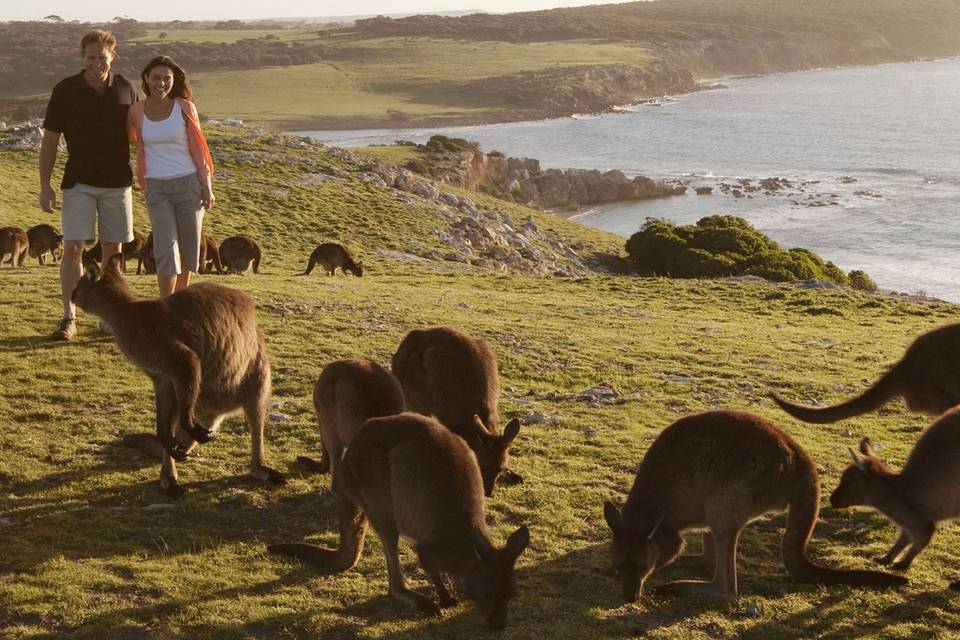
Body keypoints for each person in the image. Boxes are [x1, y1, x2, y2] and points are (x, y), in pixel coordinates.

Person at [39, 29, 138, 340]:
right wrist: (45, 185)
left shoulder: (125, 88)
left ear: (113, 56)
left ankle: (109, 317)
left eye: (102, 57)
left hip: (117, 183)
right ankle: (69, 317)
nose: (97, 63)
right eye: (91, 57)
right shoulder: (65, 90)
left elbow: (141, 135)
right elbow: (50, 143)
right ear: (82, 58)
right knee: (72, 249)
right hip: (77, 182)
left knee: (113, 251)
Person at [127, 56, 214, 298]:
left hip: (189, 184)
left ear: (173, 81)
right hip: (156, 187)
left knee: (189, 250)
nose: (161, 83)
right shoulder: (136, 111)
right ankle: (166, 305)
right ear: (146, 78)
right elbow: (136, 142)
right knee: (165, 247)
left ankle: (178, 303)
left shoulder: (185, 107)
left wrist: (206, 185)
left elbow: (198, 148)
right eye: (156, 78)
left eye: (167, 78)